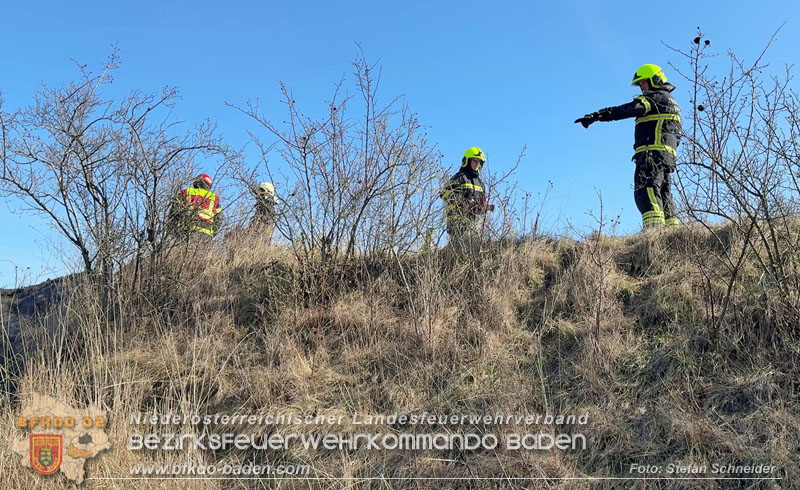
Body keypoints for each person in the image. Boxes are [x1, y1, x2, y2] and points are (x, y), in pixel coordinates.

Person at [575, 64, 682, 227]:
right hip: (666, 157)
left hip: (650, 155)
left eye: (643, 83)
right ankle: (673, 234)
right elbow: (677, 136)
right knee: (664, 193)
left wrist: (596, 116)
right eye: (639, 85)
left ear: (655, 80)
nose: (642, 88)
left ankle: (654, 232)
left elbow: (625, 110)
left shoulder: (654, 98)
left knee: (645, 190)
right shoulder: (672, 103)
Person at [440, 147, 495, 253]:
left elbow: (481, 203)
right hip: (457, 220)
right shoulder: (458, 178)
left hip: (473, 223)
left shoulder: (480, 183)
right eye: (475, 160)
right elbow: (444, 194)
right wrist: (463, 202)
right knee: (457, 250)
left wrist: (486, 207)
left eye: (479, 162)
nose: (477, 164)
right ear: (467, 161)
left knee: (472, 250)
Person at [172, 173, 222, 237]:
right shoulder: (214, 198)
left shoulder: (185, 192)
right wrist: (213, 233)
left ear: (197, 182)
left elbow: (174, 212)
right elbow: (219, 219)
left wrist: (174, 230)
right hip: (206, 235)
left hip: (186, 231)